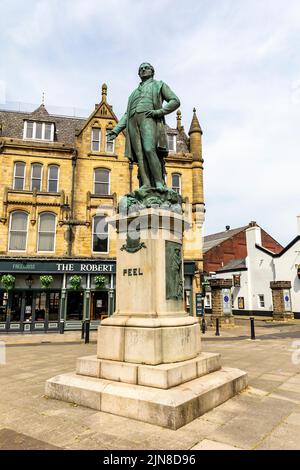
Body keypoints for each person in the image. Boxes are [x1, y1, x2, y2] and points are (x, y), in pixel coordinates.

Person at [107, 63, 180, 189]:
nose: (143, 70)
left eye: (146, 68)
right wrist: (116, 130)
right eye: (140, 69)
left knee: (149, 149)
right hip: (132, 122)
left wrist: (159, 112)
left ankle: (159, 183)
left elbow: (175, 101)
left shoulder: (159, 85)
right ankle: (146, 184)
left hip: (149, 118)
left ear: (152, 71)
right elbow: (126, 114)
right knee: (140, 155)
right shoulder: (133, 94)